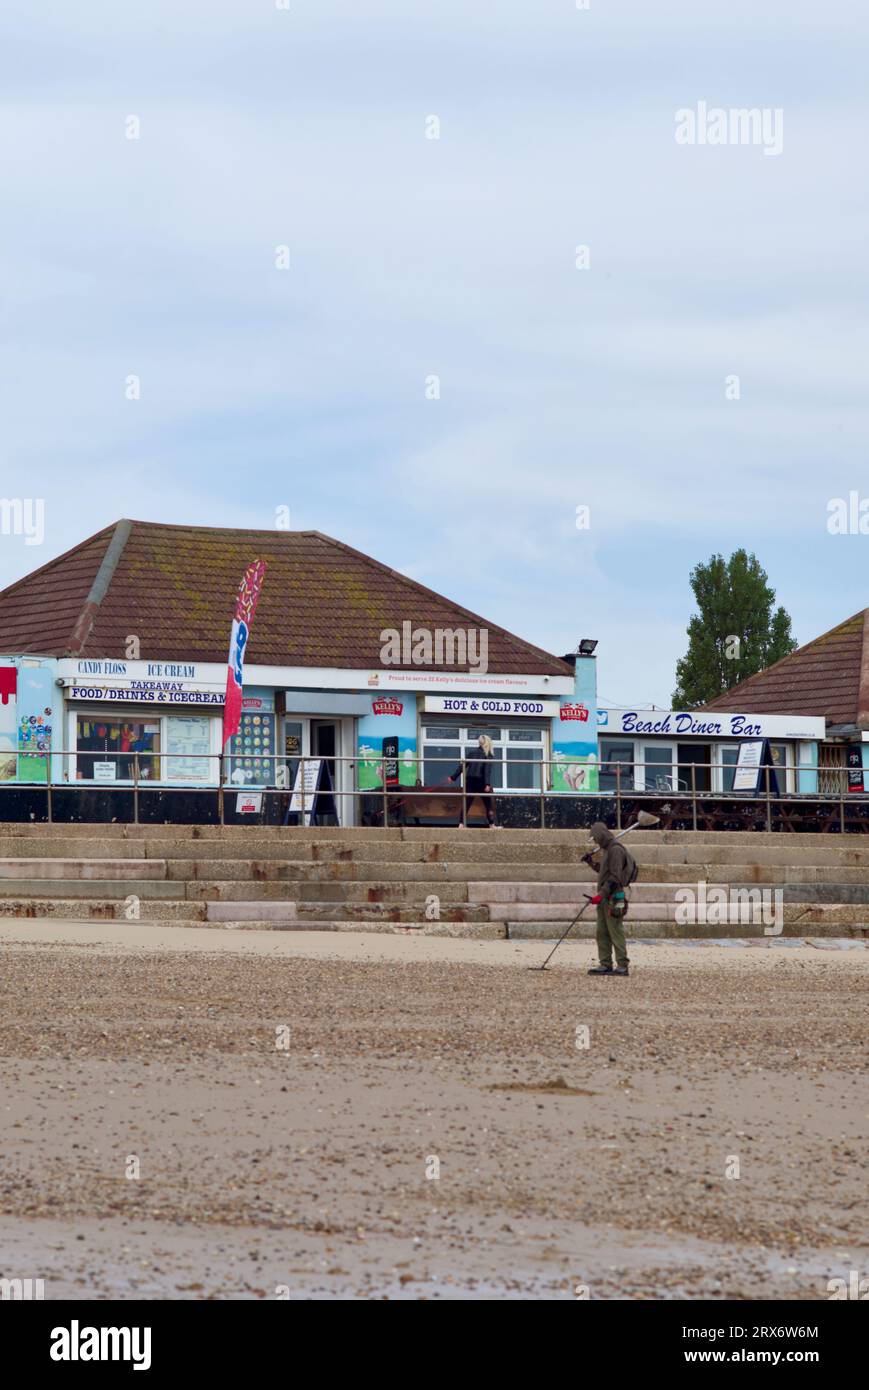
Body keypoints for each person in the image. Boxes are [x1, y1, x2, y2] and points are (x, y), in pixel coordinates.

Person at [584, 821, 634, 976]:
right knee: (602, 932)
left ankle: (622, 965)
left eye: (596, 839)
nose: (596, 842)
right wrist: (591, 863)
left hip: (614, 898)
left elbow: (615, 877)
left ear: (601, 836)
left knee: (615, 931)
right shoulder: (608, 851)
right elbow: (604, 872)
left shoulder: (616, 850)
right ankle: (605, 964)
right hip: (606, 898)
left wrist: (601, 894)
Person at [449, 734, 497, 827]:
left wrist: (453, 777)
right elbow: (487, 770)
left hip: (470, 780)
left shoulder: (472, 753)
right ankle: (492, 824)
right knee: (488, 804)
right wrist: (487, 784)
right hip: (481, 781)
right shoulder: (488, 755)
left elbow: (462, 766)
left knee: (466, 803)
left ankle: (461, 824)